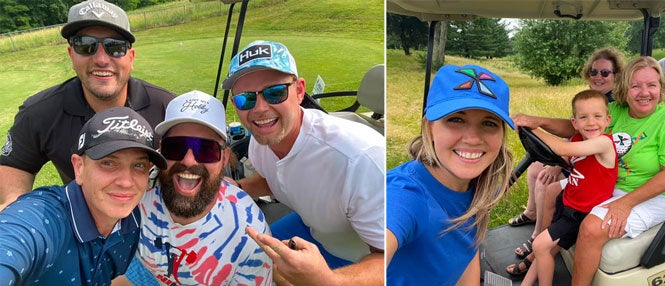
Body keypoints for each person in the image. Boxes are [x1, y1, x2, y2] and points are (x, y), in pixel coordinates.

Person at [511, 57, 665, 285]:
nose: (644, 92)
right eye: (636, 86)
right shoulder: (616, 110)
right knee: (553, 191)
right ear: (626, 88)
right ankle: (544, 250)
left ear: (660, 88)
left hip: (652, 196)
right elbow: (574, 126)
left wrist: (625, 203)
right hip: (612, 184)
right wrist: (537, 121)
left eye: (651, 85)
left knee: (591, 227)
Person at [221, 40, 384, 285]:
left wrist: (326, 280)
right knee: (241, 260)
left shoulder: (360, 161)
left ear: (299, 91)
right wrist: (235, 188)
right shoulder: (261, 141)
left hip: (356, 259)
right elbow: (272, 176)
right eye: (246, 99)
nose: (260, 109)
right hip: (313, 227)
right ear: (235, 105)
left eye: (275, 92)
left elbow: (392, 259)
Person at [0, 0, 175, 210]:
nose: (101, 59)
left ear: (131, 57)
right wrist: (20, 212)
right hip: (84, 232)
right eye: (85, 45)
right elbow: (15, 164)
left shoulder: (167, 107)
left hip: (152, 227)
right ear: (71, 54)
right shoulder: (40, 112)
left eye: (115, 47)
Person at [114, 90, 273, 285]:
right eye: (176, 147)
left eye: (206, 150)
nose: (189, 160)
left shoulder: (249, 233)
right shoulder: (136, 195)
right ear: (161, 150)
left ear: (224, 158)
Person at [0, 107, 167, 284]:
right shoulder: (43, 221)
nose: (126, 182)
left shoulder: (131, 220)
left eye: (138, 165)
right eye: (109, 163)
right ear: (79, 167)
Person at [386, 64, 515, 285]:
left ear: (502, 135)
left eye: (489, 123)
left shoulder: (474, 189)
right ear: (429, 128)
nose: (473, 138)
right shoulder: (404, 194)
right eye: (456, 119)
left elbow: (467, 255)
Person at [507, 46, 625, 260]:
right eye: (594, 72)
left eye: (605, 73)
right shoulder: (589, 101)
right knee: (535, 168)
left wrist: (541, 135)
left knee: (545, 182)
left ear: (616, 76)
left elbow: (580, 140)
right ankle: (532, 213)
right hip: (582, 157)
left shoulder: (613, 106)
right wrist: (539, 122)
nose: (598, 77)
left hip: (595, 167)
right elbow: (573, 129)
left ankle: (538, 240)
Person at [513, 90, 617, 286]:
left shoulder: (604, 143)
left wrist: (532, 127)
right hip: (568, 203)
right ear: (575, 123)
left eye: (597, 116)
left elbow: (562, 149)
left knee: (540, 245)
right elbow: (563, 157)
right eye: (583, 117)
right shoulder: (579, 139)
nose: (591, 122)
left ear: (607, 119)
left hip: (582, 213)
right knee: (544, 249)